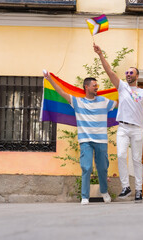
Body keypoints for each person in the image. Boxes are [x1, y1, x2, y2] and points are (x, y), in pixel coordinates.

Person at [43, 71, 116, 205]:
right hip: (85, 140)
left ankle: (104, 192)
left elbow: (120, 103)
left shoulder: (104, 101)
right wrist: (50, 79)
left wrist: (130, 91)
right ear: (86, 87)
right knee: (86, 167)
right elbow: (61, 92)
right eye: (94, 85)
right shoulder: (77, 102)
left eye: (97, 85)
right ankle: (85, 196)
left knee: (103, 169)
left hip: (101, 140)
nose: (97, 87)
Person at [93, 44, 143, 203]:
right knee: (120, 155)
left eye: (131, 72)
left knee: (137, 159)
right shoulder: (121, 87)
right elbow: (109, 71)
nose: (128, 74)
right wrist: (100, 54)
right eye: (126, 72)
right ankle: (126, 186)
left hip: (138, 129)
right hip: (123, 128)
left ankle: (139, 189)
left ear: (137, 76)